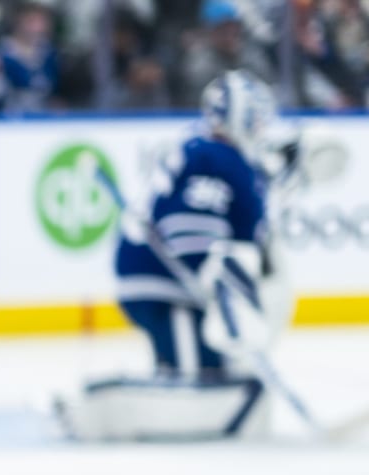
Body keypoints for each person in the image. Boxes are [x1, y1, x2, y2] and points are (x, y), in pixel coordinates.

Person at [59, 70, 280, 441]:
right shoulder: (217, 156)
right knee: (199, 371)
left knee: (208, 359)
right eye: (255, 117)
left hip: (151, 277)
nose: (260, 128)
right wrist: (215, 277)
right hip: (161, 284)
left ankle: (168, 376)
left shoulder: (203, 150)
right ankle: (140, 405)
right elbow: (190, 231)